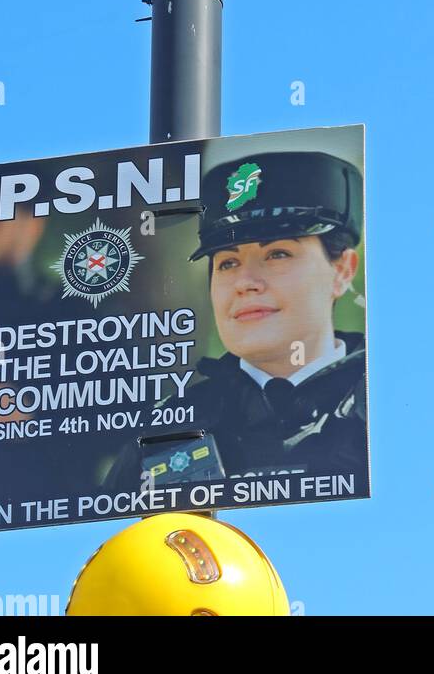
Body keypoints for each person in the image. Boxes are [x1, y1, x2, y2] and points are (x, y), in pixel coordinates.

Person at [105, 150, 368, 498]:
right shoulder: (166, 429)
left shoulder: (389, 403)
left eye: (277, 254)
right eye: (228, 262)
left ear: (342, 271)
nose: (245, 282)